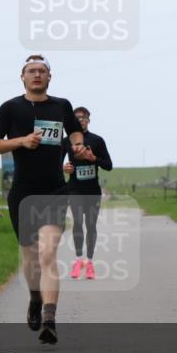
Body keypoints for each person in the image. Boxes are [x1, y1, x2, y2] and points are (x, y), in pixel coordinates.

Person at [0, 54, 88, 344]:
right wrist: (22, 141)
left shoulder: (61, 105)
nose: (37, 75)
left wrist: (77, 145)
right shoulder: (10, 108)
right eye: (32, 71)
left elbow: (74, 131)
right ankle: (34, 297)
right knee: (31, 258)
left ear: (49, 77)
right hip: (22, 193)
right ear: (23, 77)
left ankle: (50, 319)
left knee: (47, 254)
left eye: (42, 71)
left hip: (54, 190)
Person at [62, 107, 113, 280]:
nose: (80, 121)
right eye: (77, 118)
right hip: (74, 189)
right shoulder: (66, 141)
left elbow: (108, 165)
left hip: (92, 191)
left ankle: (89, 262)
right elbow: (55, 163)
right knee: (77, 222)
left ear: (88, 120)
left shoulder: (97, 140)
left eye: (83, 118)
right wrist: (64, 167)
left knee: (91, 225)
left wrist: (94, 159)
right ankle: (78, 260)